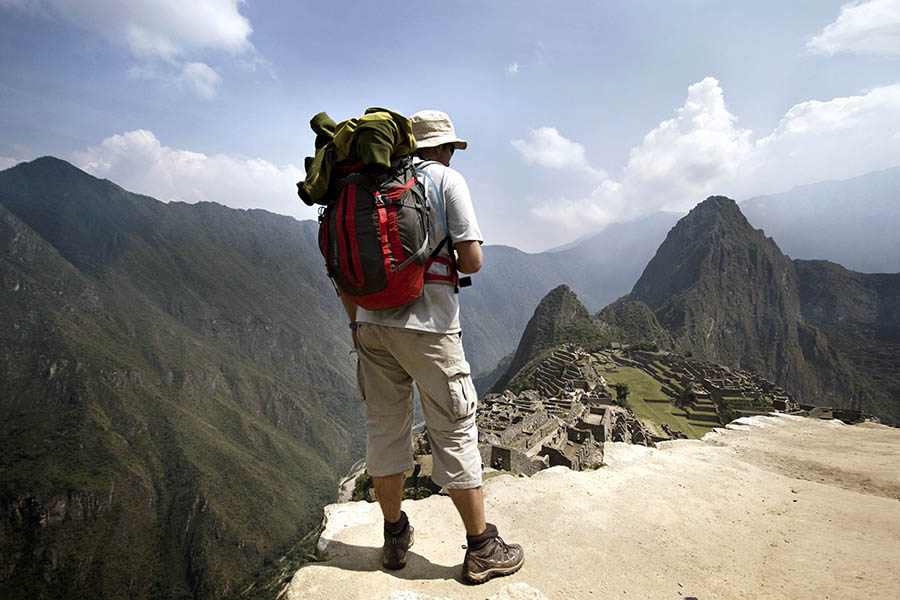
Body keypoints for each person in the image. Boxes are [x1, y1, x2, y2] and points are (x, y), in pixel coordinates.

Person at [338, 110, 525, 584]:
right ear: (441, 148)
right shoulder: (444, 180)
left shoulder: (362, 187)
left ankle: (395, 533)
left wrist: (359, 325)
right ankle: (482, 547)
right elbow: (473, 260)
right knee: (455, 428)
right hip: (429, 327)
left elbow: (340, 265)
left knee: (385, 430)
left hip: (370, 327)